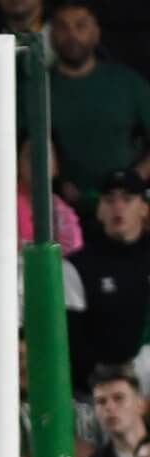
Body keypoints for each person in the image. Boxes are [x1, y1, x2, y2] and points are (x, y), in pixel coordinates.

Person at [49, 0, 150, 211]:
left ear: (96, 32)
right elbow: (20, 145)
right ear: (51, 34)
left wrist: (132, 179)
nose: (71, 35)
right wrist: (56, 183)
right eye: (63, 26)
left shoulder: (128, 83)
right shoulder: (38, 88)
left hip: (123, 210)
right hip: (58, 209)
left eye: (81, 26)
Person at [67, 170, 150, 396]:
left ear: (144, 208)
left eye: (127, 199)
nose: (118, 207)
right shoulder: (77, 266)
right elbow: (74, 346)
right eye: (110, 200)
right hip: (97, 393)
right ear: (100, 210)